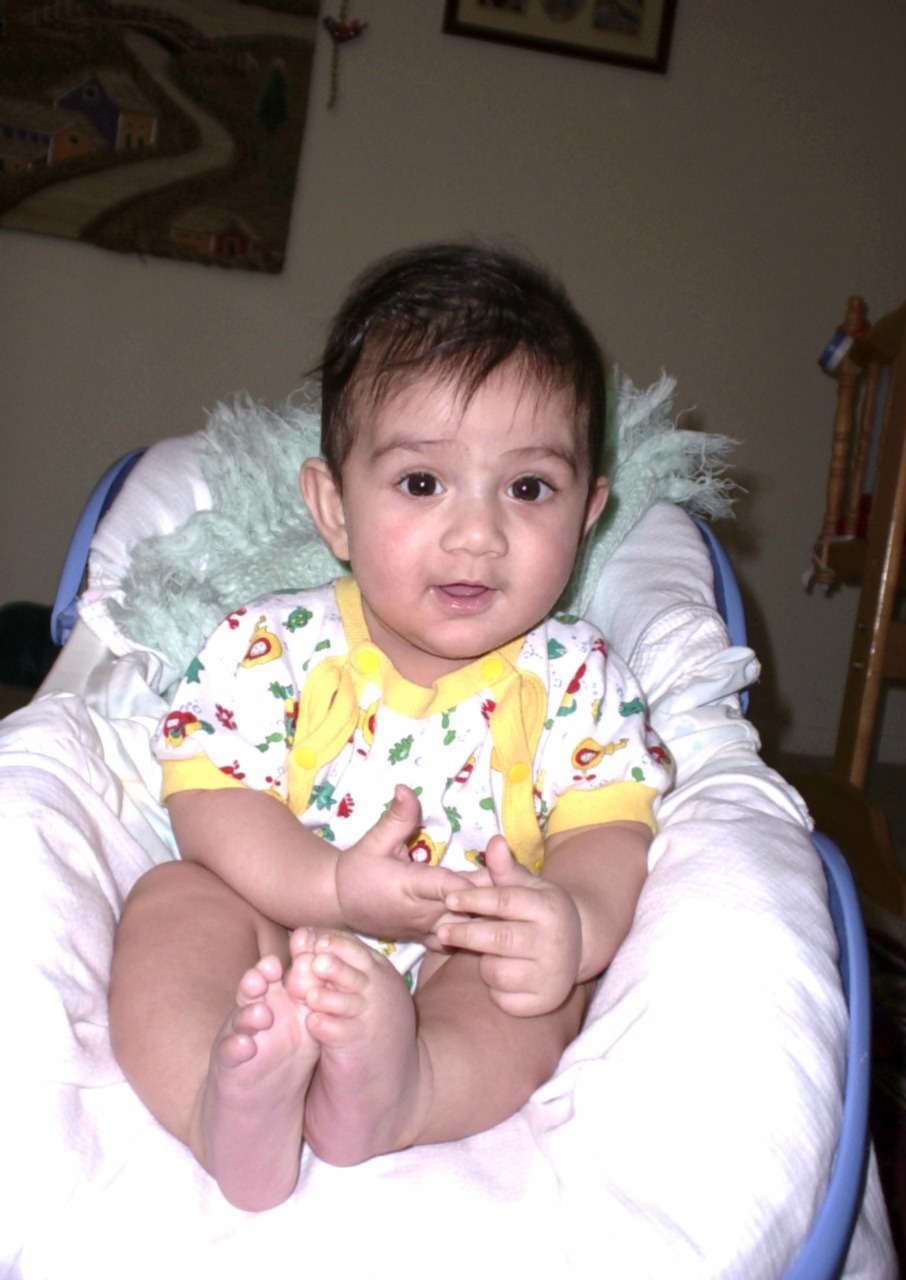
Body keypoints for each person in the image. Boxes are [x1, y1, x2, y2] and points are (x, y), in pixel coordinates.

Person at [108, 243, 673, 1213]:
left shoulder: (579, 676)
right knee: (171, 901)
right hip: (278, 927)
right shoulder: (274, 642)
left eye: (528, 488)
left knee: (539, 993)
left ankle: (404, 1089)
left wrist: (572, 922)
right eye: (421, 483)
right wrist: (328, 885)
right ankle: (221, 1102)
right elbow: (208, 797)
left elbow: (610, 831)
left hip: (465, 946)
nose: (477, 534)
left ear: (587, 513)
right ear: (334, 507)